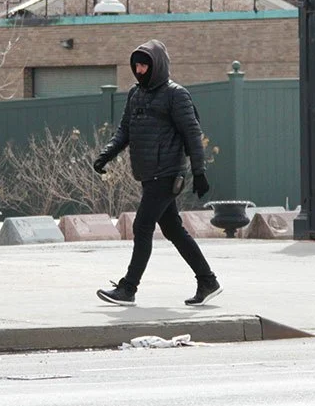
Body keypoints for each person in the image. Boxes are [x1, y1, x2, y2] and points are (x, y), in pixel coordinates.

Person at [92, 39, 222, 306]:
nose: (139, 70)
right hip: (147, 172)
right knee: (174, 230)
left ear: (158, 65)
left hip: (167, 173)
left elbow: (193, 135)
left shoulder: (177, 95)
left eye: (144, 65)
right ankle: (207, 281)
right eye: (136, 65)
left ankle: (128, 288)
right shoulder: (135, 94)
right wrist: (106, 155)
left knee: (142, 226)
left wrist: (199, 172)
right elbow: (124, 131)